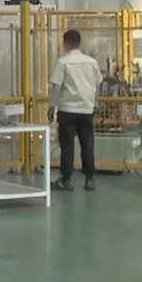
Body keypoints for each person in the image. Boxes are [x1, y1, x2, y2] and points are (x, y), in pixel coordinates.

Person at [47, 29, 103, 192]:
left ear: (65, 43)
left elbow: (56, 87)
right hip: (86, 110)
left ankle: (66, 179)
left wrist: (51, 107)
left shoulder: (62, 63)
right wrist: (95, 104)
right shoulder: (92, 63)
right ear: (79, 43)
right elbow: (97, 85)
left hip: (68, 110)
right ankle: (90, 178)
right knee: (88, 144)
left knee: (67, 146)